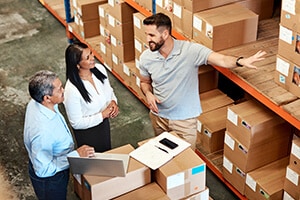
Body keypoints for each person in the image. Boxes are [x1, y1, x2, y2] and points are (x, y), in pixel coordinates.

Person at [139, 13, 267, 150]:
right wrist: (148, 94)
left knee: (186, 161)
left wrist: (241, 61)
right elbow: (144, 82)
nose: (147, 39)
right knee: (162, 157)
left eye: (151, 35)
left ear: (165, 34)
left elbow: (221, 59)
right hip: (158, 117)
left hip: (184, 121)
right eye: (146, 34)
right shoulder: (147, 57)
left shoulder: (190, 51)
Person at [23, 70, 95, 200]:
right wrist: (75, 156)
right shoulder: (42, 132)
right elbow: (43, 170)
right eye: (60, 89)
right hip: (50, 179)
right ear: (47, 98)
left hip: (56, 161)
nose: (64, 90)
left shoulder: (37, 103)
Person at [63, 41, 119, 153]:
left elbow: (109, 90)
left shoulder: (99, 69)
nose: (93, 58)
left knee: (106, 154)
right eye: (88, 58)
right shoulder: (72, 90)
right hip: (88, 133)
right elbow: (76, 123)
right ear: (77, 64)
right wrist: (102, 115)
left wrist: (113, 102)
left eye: (91, 53)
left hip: (103, 125)